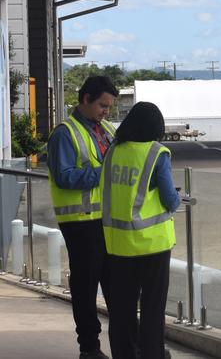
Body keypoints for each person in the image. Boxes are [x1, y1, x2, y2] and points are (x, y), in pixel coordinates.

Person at [100, 101, 180, 359]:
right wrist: (179, 199)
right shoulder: (157, 153)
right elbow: (170, 198)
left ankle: (124, 355)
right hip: (152, 244)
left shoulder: (113, 151)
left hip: (118, 244)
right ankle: (152, 354)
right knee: (152, 308)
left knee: (121, 308)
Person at [47, 75, 119, 359]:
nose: (106, 111)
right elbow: (64, 177)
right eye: (102, 105)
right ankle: (90, 348)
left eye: (109, 107)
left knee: (117, 285)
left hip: (108, 221)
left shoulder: (107, 129)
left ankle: (129, 345)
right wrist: (105, 174)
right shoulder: (65, 133)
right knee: (86, 287)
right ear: (86, 99)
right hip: (80, 222)